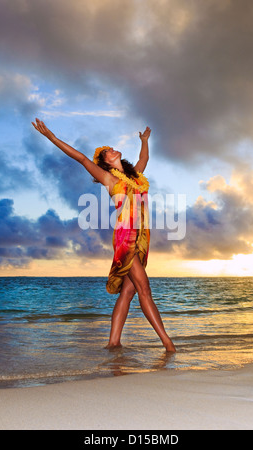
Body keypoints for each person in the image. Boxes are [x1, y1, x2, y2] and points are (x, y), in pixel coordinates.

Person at [32, 118, 176, 353]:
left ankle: (113, 342)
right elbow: (80, 158)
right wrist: (51, 137)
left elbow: (144, 159)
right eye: (107, 151)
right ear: (106, 162)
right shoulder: (109, 179)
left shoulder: (136, 176)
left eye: (111, 149)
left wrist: (144, 141)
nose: (111, 149)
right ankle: (168, 343)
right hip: (125, 237)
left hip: (142, 238)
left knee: (129, 291)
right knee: (144, 288)